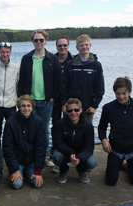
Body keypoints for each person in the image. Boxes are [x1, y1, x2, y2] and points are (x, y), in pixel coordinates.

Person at [17, 29, 62, 168]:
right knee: (28, 130)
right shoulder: (26, 58)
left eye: (41, 40)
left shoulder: (52, 59)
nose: (38, 42)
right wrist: (22, 99)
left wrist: (53, 97)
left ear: (46, 41)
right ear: (32, 42)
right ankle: (29, 156)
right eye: (36, 40)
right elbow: (22, 80)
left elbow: (57, 80)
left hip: (46, 102)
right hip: (29, 103)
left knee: (44, 130)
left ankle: (43, 157)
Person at [98, 77, 133, 186]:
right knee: (110, 182)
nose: (121, 97)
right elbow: (101, 127)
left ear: (130, 91)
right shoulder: (108, 108)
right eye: (118, 94)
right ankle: (121, 165)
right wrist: (103, 140)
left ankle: (127, 165)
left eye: (124, 93)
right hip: (115, 149)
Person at [3, 95, 46, 189]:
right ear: (19, 107)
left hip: (31, 160)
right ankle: (20, 172)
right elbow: (7, 147)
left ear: (32, 107)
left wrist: (38, 171)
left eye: (28, 106)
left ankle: (28, 172)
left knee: (37, 184)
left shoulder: (38, 122)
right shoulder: (11, 122)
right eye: (23, 106)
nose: (26, 108)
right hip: (17, 161)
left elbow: (41, 146)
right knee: (17, 185)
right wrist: (14, 169)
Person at [61, 34, 105, 124]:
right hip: (71, 107)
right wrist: (64, 104)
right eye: (81, 45)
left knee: (86, 133)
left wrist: (95, 106)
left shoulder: (96, 65)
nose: (84, 47)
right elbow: (63, 86)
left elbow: (99, 88)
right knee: (68, 132)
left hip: (88, 108)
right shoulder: (70, 65)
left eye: (86, 44)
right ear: (77, 47)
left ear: (90, 45)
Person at [52, 98, 97, 184]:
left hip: (81, 152)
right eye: (70, 110)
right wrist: (70, 153)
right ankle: (63, 170)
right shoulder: (60, 124)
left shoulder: (88, 126)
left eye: (76, 110)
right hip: (65, 151)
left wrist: (80, 157)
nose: (73, 113)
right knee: (56, 156)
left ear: (81, 110)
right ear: (66, 111)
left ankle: (81, 170)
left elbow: (89, 147)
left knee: (92, 162)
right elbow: (58, 143)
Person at [51, 36, 75, 174]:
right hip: (54, 100)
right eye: (60, 46)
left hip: (69, 100)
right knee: (56, 127)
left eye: (65, 45)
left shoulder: (74, 61)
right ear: (56, 47)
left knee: (70, 128)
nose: (62, 48)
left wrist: (67, 103)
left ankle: (73, 155)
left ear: (68, 46)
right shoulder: (52, 60)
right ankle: (56, 158)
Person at [0, 42, 19, 145]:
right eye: (2, 52)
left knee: (12, 132)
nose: (5, 54)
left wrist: (17, 100)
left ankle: (10, 154)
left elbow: (18, 86)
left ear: (10, 52)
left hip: (11, 106)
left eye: (7, 52)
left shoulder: (16, 69)